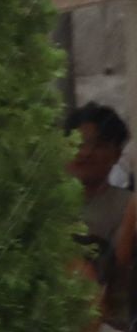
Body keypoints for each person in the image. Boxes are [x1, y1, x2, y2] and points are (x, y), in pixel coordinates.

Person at [67, 103, 132, 245]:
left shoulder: (128, 208)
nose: (86, 153)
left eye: (98, 146)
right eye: (78, 144)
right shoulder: (39, 204)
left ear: (116, 155)